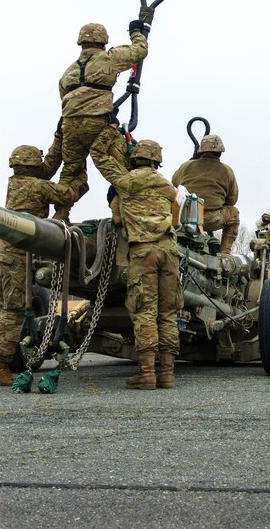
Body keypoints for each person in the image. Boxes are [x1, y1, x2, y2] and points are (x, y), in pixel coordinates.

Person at [0, 134, 86, 386]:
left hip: (3, 254)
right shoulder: (37, 186)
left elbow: (49, 167)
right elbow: (67, 194)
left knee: (5, 306)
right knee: (14, 310)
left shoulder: (17, 183)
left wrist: (60, 137)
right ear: (33, 166)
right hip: (17, 257)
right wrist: (81, 176)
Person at [53, 21, 148, 221]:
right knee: (121, 165)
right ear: (103, 42)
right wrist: (136, 32)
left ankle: (60, 215)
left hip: (70, 125)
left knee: (70, 171)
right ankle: (125, 214)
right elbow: (139, 51)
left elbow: (64, 97)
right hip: (99, 124)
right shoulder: (108, 58)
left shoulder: (68, 72)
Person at [111, 139, 181, 390]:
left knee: (145, 312)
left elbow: (118, 220)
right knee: (168, 313)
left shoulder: (125, 184)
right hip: (169, 250)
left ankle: (147, 373)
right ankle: (168, 375)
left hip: (143, 252)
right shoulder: (168, 186)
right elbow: (175, 217)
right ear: (157, 160)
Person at [170, 134, 240, 254]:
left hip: (185, 217)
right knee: (233, 213)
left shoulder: (186, 166)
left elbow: (174, 184)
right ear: (220, 152)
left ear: (200, 151)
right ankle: (224, 254)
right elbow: (232, 199)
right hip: (210, 219)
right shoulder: (227, 171)